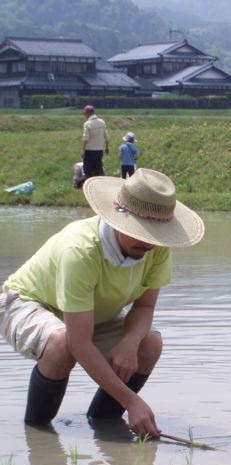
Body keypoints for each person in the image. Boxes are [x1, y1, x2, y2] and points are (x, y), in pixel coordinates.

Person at [0, 168, 205, 438]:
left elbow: (144, 307)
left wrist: (130, 344)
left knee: (149, 344)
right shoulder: (80, 251)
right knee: (62, 344)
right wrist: (132, 400)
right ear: (121, 220)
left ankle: (105, 427)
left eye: (155, 235)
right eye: (143, 232)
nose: (149, 243)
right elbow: (78, 343)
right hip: (28, 303)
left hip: (91, 314)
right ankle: (38, 437)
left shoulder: (156, 249)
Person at [81, 105, 109, 178]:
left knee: (88, 170)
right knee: (98, 168)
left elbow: (85, 138)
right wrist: (106, 147)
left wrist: (83, 150)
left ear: (88, 113)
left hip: (89, 150)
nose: (85, 115)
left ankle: (88, 186)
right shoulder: (102, 122)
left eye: (85, 114)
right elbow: (106, 136)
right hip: (99, 150)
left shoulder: (87, 124)